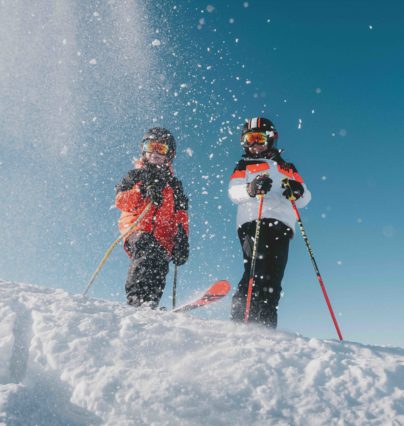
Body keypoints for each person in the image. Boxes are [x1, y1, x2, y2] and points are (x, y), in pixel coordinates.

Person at [228, 117, 311, 328]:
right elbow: (233, 192)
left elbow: (305, 197)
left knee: (274, 279)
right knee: (257, 272)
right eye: (248, 139)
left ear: (271, 138)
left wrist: (298, 191)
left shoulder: (288, 167)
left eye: (258, 138)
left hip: (282, 225)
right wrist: (251, 189)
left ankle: (265, 327)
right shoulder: (244, 165)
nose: (253, 144)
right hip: (254, 220)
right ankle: (242, 319)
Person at [115, 127, 189, 308]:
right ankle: (136, 299)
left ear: (169, 154)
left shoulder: (174, 185)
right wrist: (141, 191)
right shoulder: (135, 175)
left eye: (161, 149)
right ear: (144, 149)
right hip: (137, 228)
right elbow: (121, 201)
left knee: (160, 264)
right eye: (151, 146)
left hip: (164, 236)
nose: (155, 153)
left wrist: (182, 238)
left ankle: (150, 301)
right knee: (146, 249)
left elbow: (181, 216)